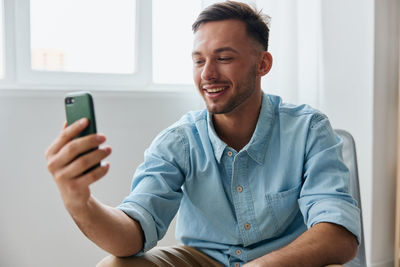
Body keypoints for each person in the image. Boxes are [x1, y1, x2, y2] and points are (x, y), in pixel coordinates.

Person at [45, 1, 361, 266]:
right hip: (202, 259)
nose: (207, 74)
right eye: (199, 61)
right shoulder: (178, 141)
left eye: (223, 58)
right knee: (115, 265)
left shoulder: (308, 129)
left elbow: (339, 234)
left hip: (284, 260)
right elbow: (132, 234)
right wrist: (80, 202)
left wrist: (262, 265)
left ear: (262, 64)